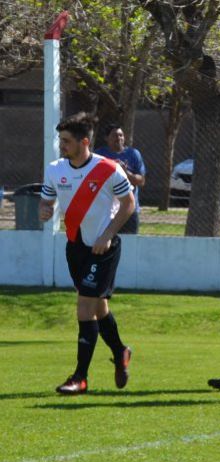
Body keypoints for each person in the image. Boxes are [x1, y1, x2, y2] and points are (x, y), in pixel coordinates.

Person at [39, 112, 136, 395]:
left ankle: (80, 378)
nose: (62, 145)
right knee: (98, 308)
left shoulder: (108, 169)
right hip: (76, 247)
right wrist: (44, 210)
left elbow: (128, 203)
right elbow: (46, 201)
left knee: (84, 307)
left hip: (103, 249)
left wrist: (107, 235)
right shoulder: (56, 169)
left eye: (67, 141)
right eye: (60, 140)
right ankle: (120, 352)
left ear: (84, 141)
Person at [94, 123, 145, 234]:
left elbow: (141, 181)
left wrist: (124, 172)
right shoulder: (99, 155)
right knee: (106, 242)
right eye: (114, 135)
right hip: (106, 210)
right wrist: (110, 169)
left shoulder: (133, 154)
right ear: (106, 138)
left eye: (121, 135)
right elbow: (93, 179)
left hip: (129, 209)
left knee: (130, 244)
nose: (119, 138)